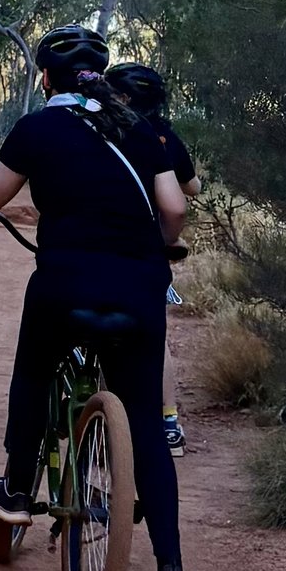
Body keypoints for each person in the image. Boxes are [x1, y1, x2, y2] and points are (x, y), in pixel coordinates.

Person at [0, 26, 196, 571]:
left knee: (33, 370)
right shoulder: (141, 129)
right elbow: (176, 208)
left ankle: (15, 488)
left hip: (64, 284)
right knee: (144, 423)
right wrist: (154, 251)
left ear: (44, 78)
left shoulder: (37, 128)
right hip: (138, 290)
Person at [108, 62, 199, 454]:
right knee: (154, 338)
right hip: (152, 254)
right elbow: (192, 188)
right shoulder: (165, 136)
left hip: (108, 244)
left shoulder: (109, 131)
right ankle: (168, 423)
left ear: (124, 98)